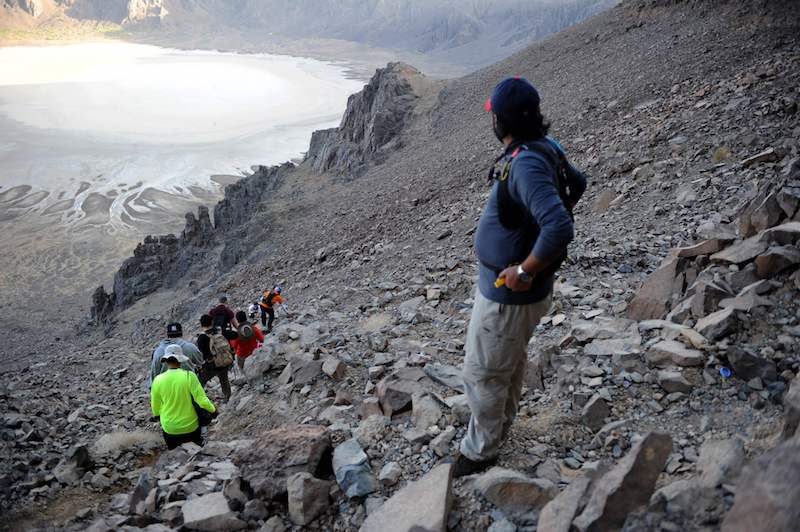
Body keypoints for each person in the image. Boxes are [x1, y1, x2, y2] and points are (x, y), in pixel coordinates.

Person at [453, 77, 586, 477]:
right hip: (517, 295)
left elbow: (560, 226)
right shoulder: (546, 148)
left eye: (493, 115)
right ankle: (499, 429)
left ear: (502, 121)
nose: (491, 122)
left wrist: (525, 268)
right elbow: (576, 184)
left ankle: (480, 454)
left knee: (485, 371)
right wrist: (528, 233)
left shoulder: (526, 161)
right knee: (505, 363)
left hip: (508, 297)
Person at [150, 346, 217, 449]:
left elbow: (155, 404)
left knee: (174, 453)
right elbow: (201, 400)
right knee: (196, 451)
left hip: (169, 428)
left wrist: (157, 415)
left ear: (166, 361)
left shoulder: (158, 380)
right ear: (180, 360)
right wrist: (213, 410)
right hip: (190, 427)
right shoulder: (189, 376)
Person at [149, 322, 203, 387]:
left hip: (166, 389)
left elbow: (154, 372)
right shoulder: (190, 347)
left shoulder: (158, 351)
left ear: (168, 335)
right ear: (181, 333)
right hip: (187, 386)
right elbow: (200, 361)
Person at [197, 314, 236, 401]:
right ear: (212, 322)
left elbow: (203, 354)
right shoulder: (220, 332)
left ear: (201, 325)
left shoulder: (202, 337)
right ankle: (228, 398)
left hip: (211, 366)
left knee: (199, 381)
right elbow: (234, 336)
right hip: (224, 362)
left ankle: (199, 400)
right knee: (224, 381)